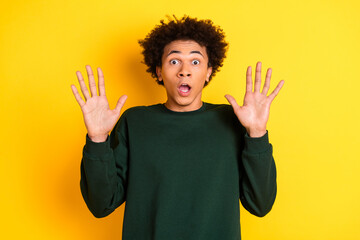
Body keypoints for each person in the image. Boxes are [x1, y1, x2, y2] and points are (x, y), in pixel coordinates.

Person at [71, 15, 284, 240]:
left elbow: (260, 204)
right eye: (174, 61)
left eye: (195, 61)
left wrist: (257, 134)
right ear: (159, 71)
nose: (184, 70)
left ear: (208, 72)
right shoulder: (134, 122)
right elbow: (101, 204)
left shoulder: (233, 121)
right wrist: (97, 139)